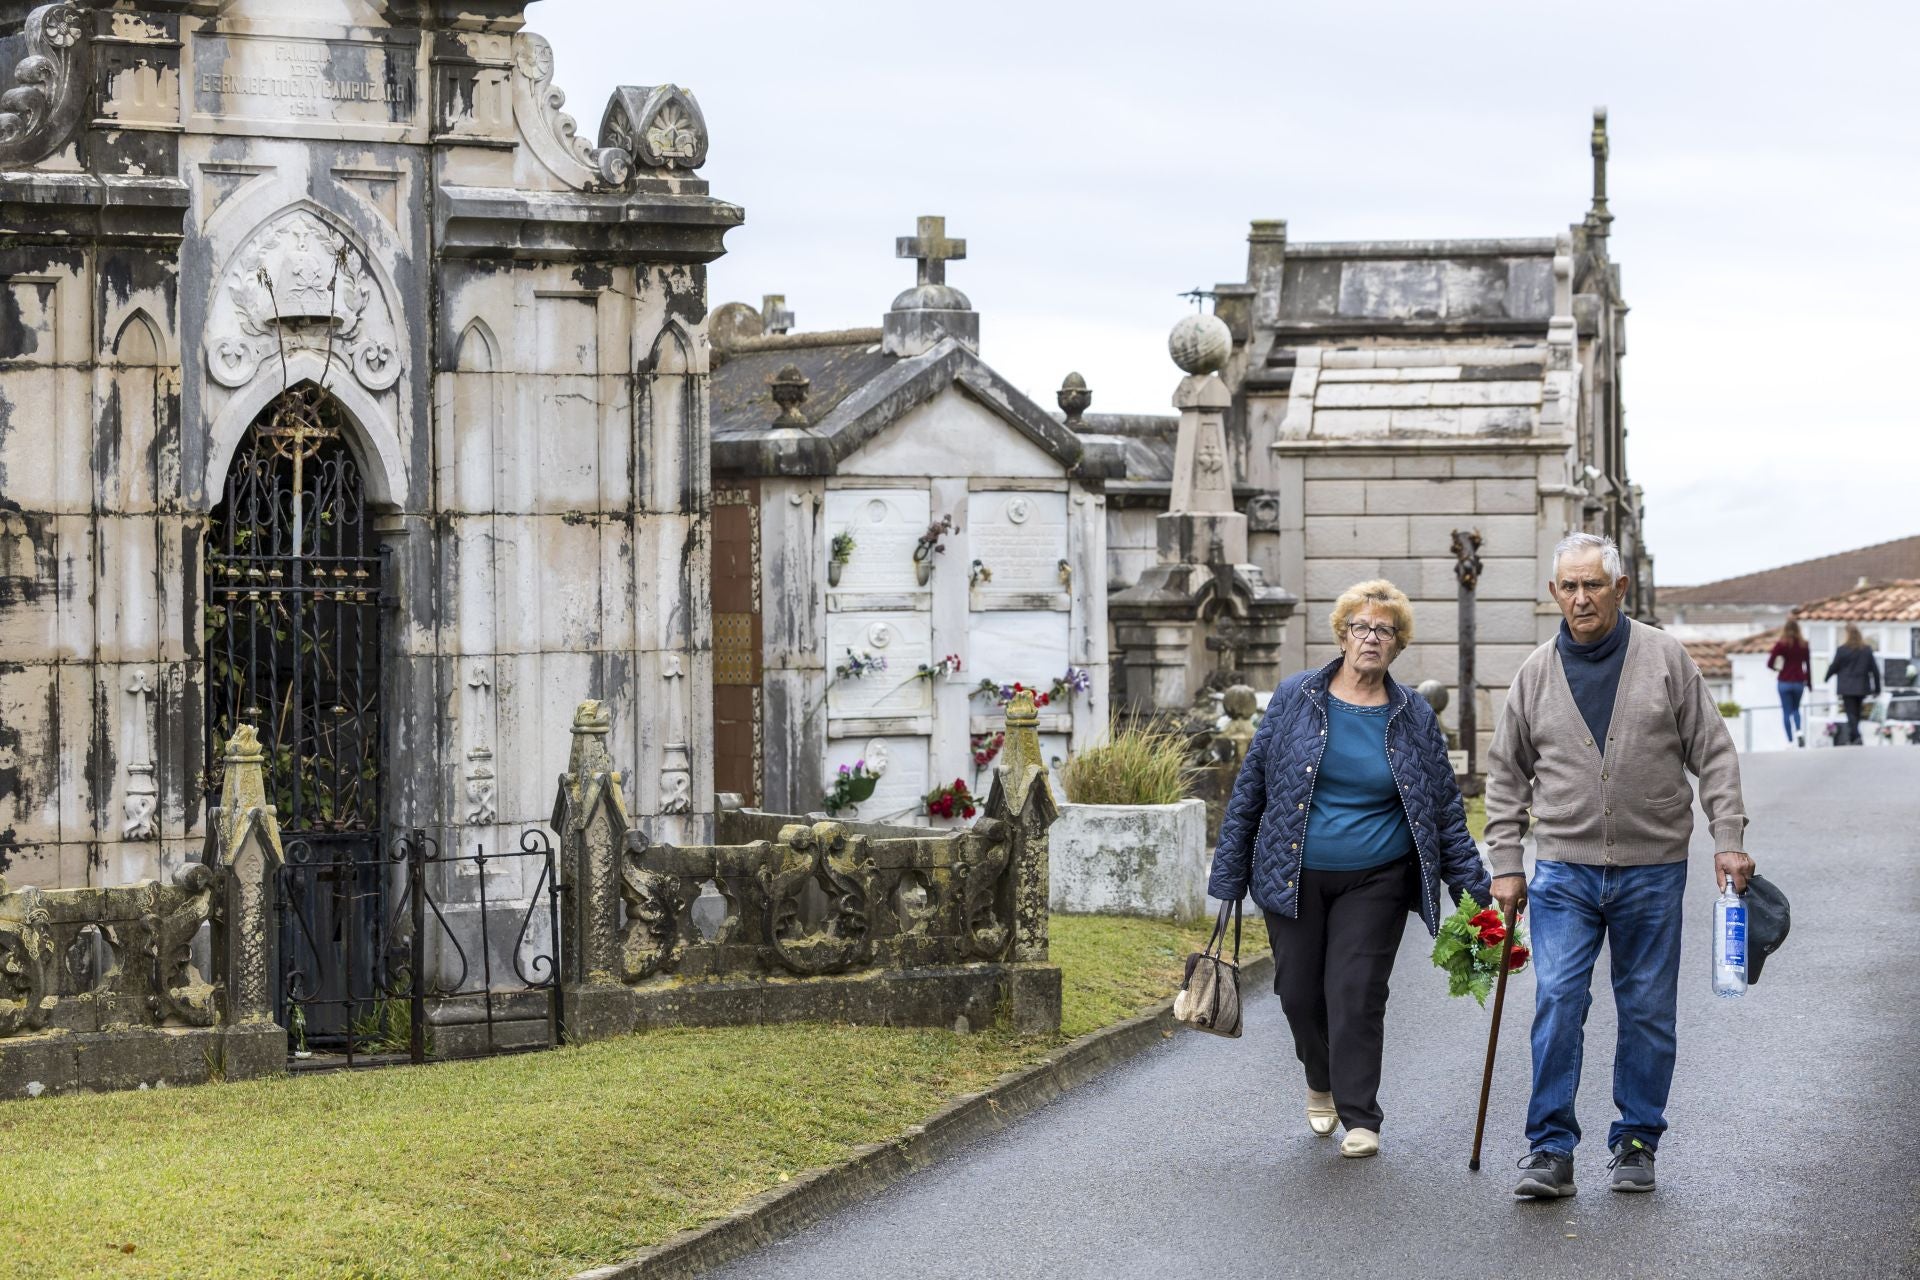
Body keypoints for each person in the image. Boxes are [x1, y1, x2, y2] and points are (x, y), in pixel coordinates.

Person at [1487, 532, 1752, 1199]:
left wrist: (1727, 835)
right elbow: (1506, 774)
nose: (1581, 598)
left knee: (1646, 1008)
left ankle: (1637, 1139)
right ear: (1555, 593)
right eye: (1570, 587)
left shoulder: (1665, 658)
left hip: (1652, 867)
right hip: (1564, 869)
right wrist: (1507, 861)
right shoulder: (1535, 673)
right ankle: (1550, 1149)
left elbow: (1714, 752)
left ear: (1620, 588)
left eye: (1594, 585)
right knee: (1557, 999)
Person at [1210, 579, 1491, 1160]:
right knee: (1297, 994)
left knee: (1355, 991)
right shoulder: (1296, 696)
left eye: (1384, 630)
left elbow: (1444, 808)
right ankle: (1321, 1080)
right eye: (1361, 627)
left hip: (1377, 876)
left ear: (1398, 645)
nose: (1371, 638)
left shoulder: (1413, 715)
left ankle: (1361, 1115)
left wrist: (1476, 893)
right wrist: (1230, 874)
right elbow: (1252, 787)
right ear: (1342, 636)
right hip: (1292, 871)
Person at [1825, 623, 1880, 746]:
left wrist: (1826, 677)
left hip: (1847, 687)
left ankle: (1856, 736)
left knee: (1851, 713)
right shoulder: (1866, 650)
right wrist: (1877, 689)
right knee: (1856, 713)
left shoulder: (1842, 650)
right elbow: (1874, 670)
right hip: (1861, 687)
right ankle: (1853, 737)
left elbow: (1834, 666)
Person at [1767, 619, 1812, 746]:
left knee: (1786, 711)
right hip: (1798, 682)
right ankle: (1799, 731)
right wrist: (1809, 683)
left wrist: (1778, 668)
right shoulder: (1804, 645)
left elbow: (1769, 663)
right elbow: (1808, 666)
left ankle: (1790, 741)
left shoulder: (1781, 645)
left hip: (1784, 681)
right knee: (1796, 709)